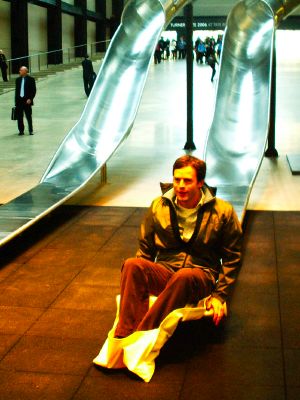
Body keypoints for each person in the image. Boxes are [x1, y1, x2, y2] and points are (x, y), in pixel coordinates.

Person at [114, 155, 243, 339]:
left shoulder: (222, 211)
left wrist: (219, 295)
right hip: (166, 271)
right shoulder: (158, 206)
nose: (180, 185)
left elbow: (233, 257)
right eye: (177, 179)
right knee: (131, 265)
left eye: (187, 180)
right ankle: (123, 335)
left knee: (184, 276)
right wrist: (141, 279)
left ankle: (143, 336)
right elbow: (145, 250)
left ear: (200, 183)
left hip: (200, 275)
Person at [15, 66, 36, 135]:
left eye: (21, 70)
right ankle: (21, 130)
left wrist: (30, 98)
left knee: (28, 116)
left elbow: (33, 90)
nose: (19, 71)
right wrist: (16, 102)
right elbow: (17, 92)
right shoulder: (17, 80)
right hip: (19, 101)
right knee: (19, 117)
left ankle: (30, 130)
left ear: (25, 71)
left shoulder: (31, 79)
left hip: (27, 101)